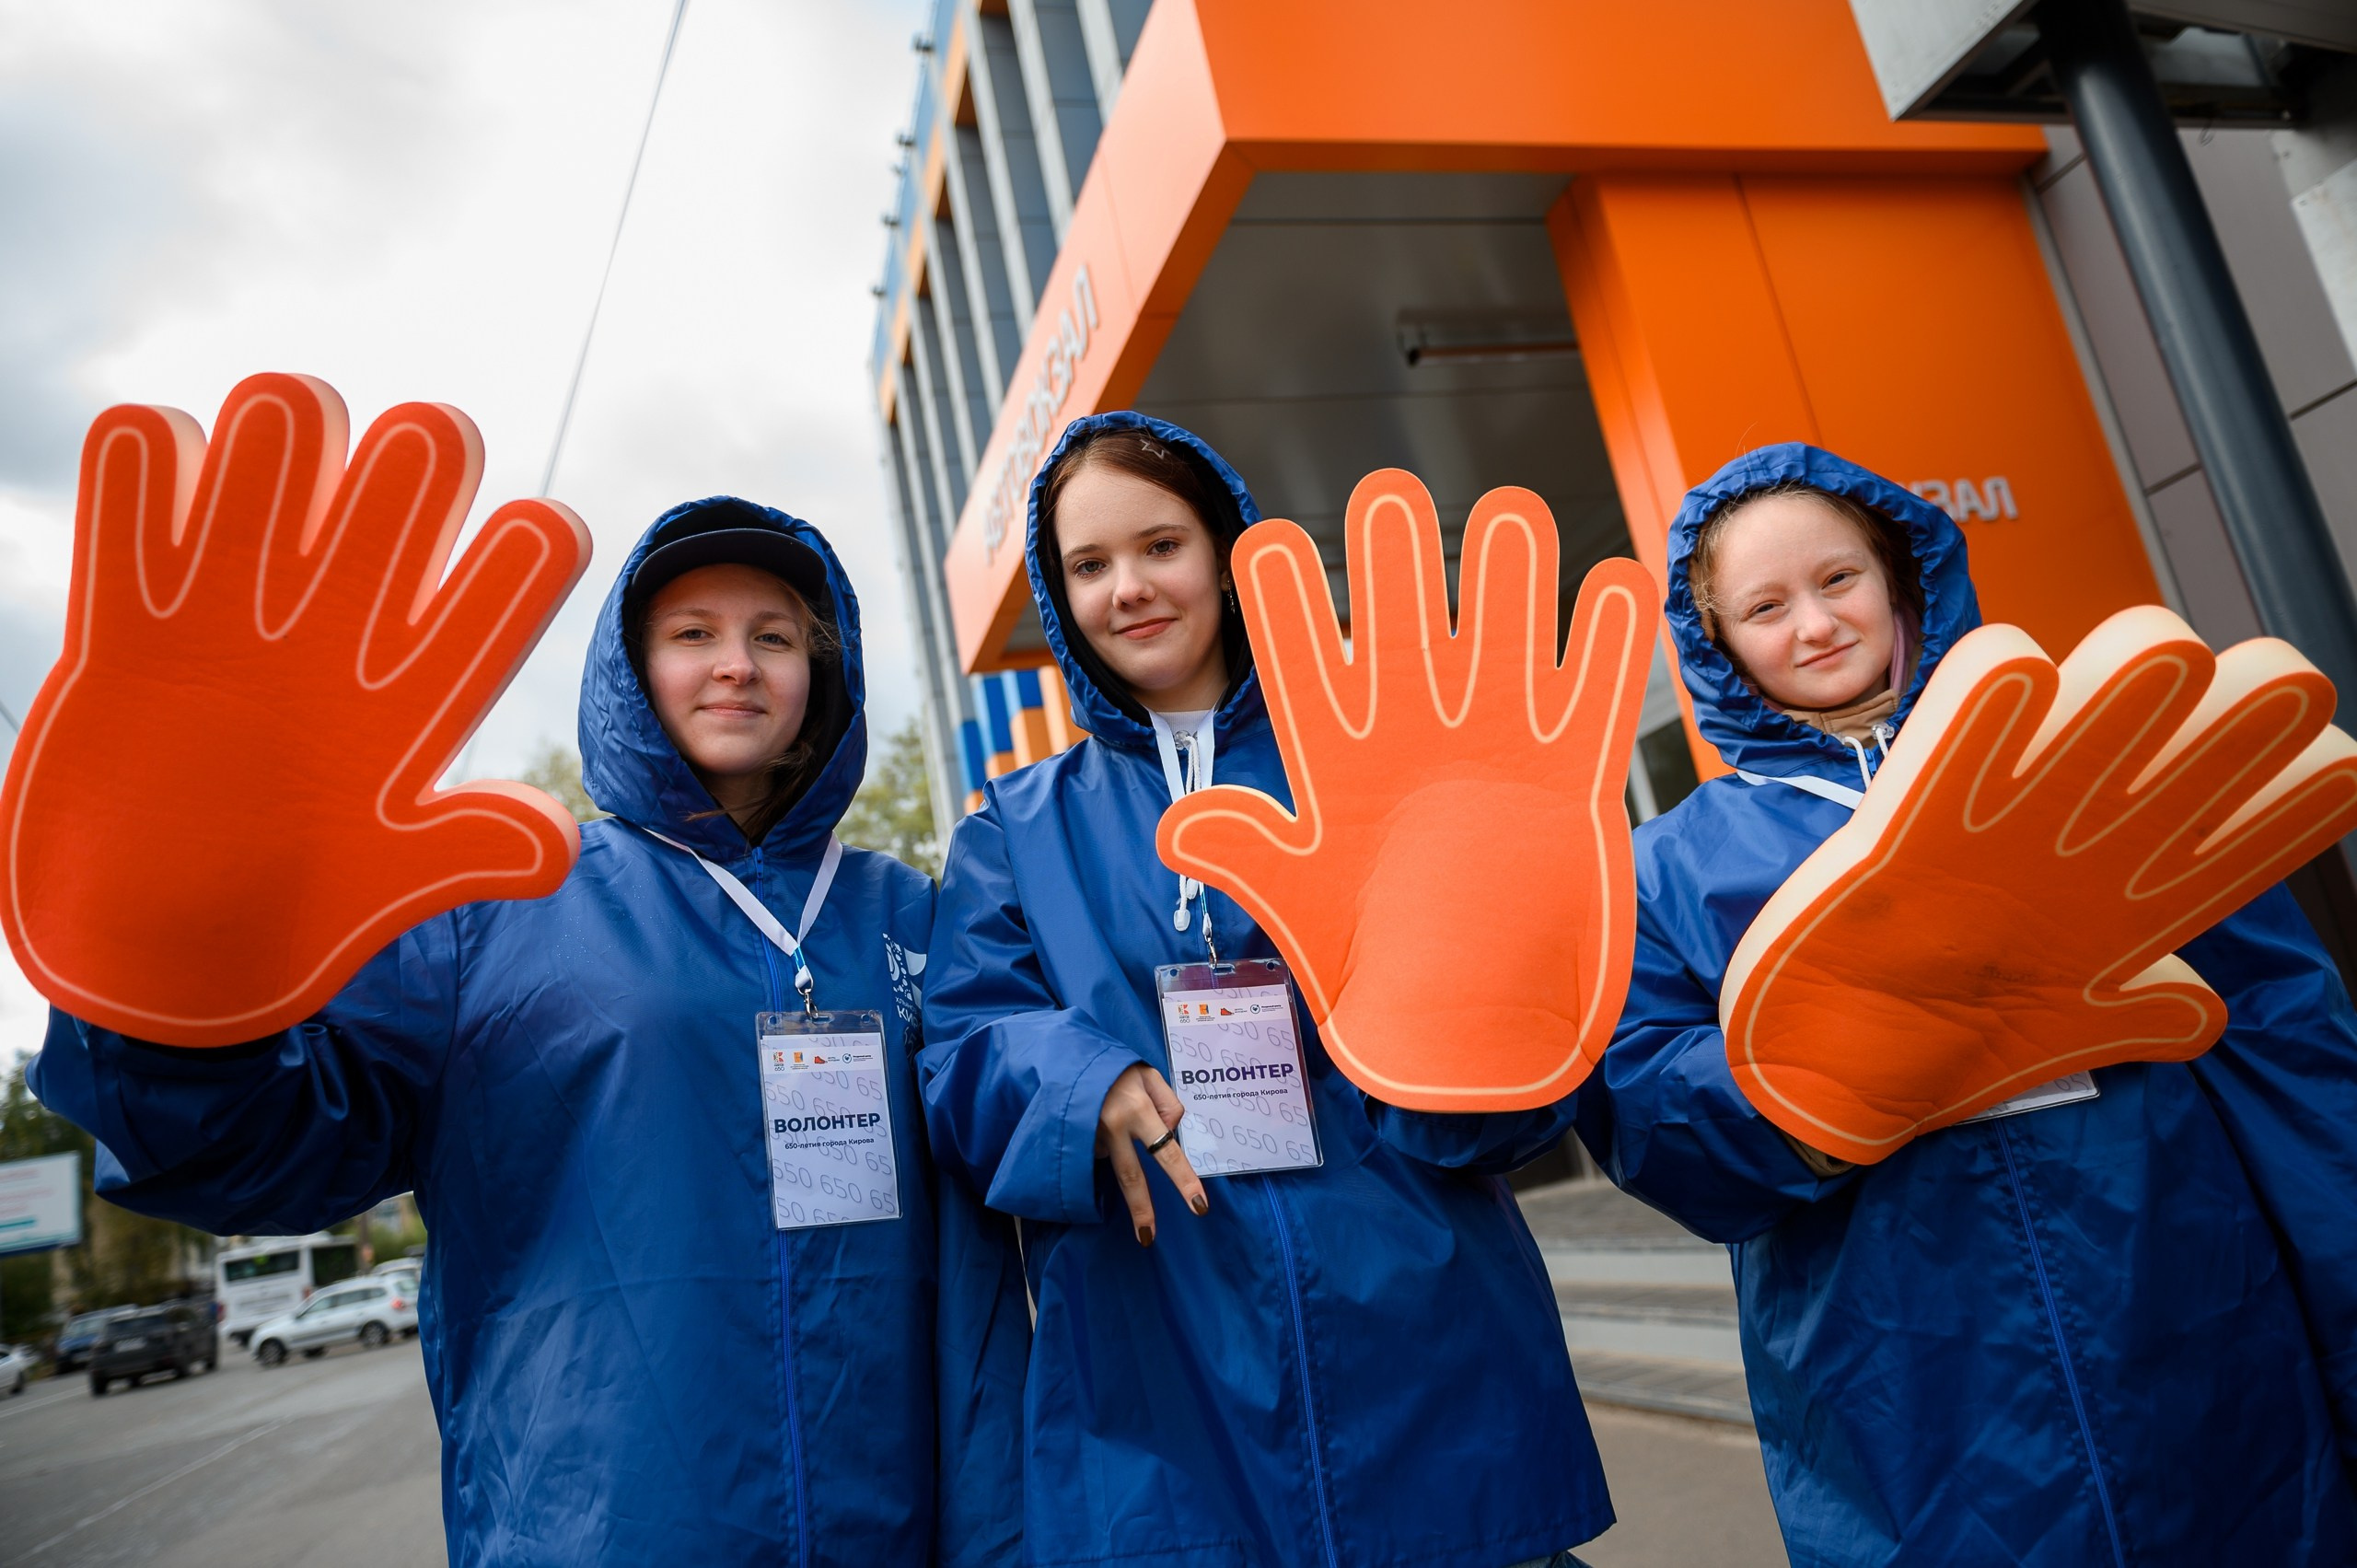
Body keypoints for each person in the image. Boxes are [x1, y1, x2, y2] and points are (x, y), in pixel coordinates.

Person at [29, 497, 1028, 1567]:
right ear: (630, 671)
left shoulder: (906, 910)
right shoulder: (501, 902)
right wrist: (161, 981)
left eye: (773, 636)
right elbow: (279, 1139)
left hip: (904, 1527)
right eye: (692, 633)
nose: (735, 664)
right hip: (598, 1526)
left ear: (821, 674)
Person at [1580, 441, 2357, 1564]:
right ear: (1717, 641)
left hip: (2185, 1294)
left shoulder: (2081, 759)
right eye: (1764, 605)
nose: (1814, 624)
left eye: (1837, 579)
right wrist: (1813, 1087)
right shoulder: (1674, 867)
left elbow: (2283, 1042)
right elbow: (1644, 1114)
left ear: (1897, 572)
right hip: (1902, 1373)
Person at [919, 412, 1611, 1568]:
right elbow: (964, 1045)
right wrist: (1080, 1078)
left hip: (1421, 1323)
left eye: (1161, 545)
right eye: (1089, 565)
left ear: (1227, 550)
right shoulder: (1015, 826)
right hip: (1159, 1355)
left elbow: (1510, 1049)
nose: (1129, 588)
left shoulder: (1374, 762)